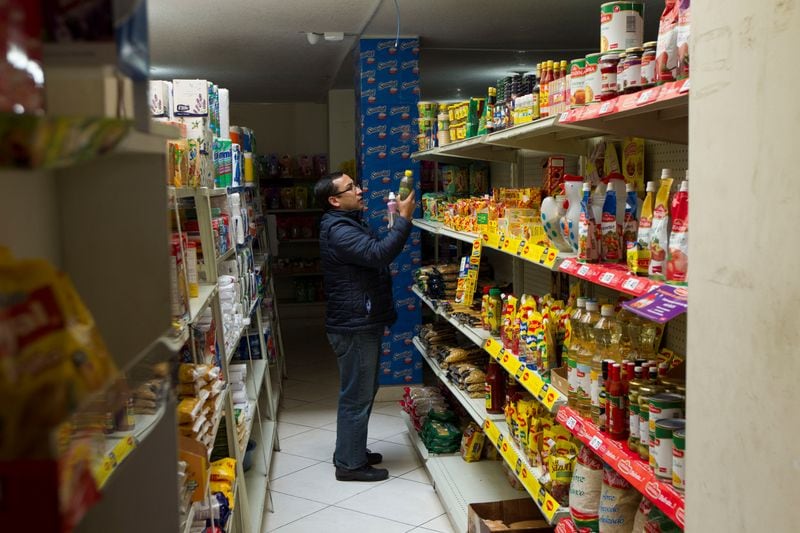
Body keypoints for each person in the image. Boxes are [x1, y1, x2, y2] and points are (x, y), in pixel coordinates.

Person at [314, 172, 416, 482]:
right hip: (354, 325)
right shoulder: (339, 230)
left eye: (356, 185)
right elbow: (378, 255)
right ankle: (349, 464)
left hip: (359, 320)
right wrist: (404, 219)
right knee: (357, 395)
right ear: (334, 200)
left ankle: (351, 450)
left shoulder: (347, 223)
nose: (360, 191)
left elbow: (373, 252)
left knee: (362, 390)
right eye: (351, 188)